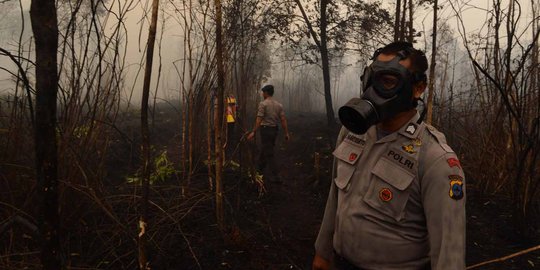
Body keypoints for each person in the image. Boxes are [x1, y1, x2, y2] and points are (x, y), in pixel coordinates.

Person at [312, 42, 466, 270]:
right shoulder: (353, 132)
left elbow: (448, 251)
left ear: (418, 88)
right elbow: (335, 197)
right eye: (371, 79)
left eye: (388, 81)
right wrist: (322, 252)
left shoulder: (435, 159)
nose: (374, 91)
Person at [247, 85, 290, 182]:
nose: (262, 94)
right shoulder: (279, 105)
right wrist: (286, 133)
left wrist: (253, 131)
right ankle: (259, 170)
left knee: (269, 153)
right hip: (274, 130)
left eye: (263, 92)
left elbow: (259, 119)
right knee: (266, 148)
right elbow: (283, 120)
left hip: (265, 130)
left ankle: (277, 175)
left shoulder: (263, 104)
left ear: (266, 93)